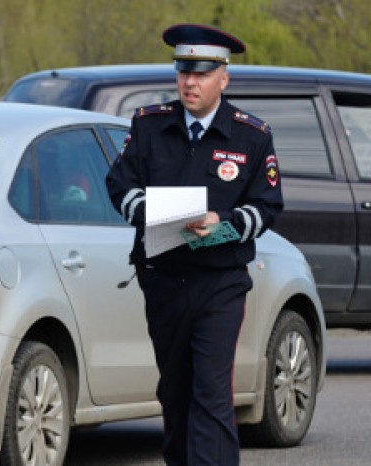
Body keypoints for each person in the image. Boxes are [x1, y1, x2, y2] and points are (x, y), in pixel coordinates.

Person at [105, 23, 283, 466]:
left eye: (202, 74)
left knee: (211, 389)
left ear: (224, 77)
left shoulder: (251, 136)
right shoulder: (149, 126)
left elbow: (267, 207)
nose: (190, 82)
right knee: (176, 389)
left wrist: (222, 225)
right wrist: (149, 211)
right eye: (183, 72)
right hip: (163, 279)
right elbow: (119, 185)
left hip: (220, 283)